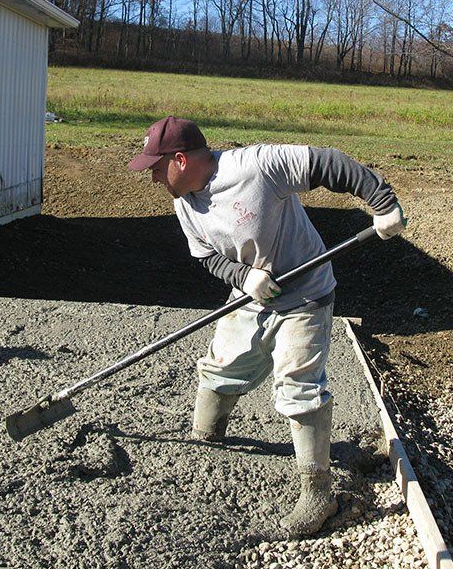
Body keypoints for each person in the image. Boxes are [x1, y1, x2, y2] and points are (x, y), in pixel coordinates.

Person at [129, 115, 405, 536]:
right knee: (220, 367)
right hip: (252, 294)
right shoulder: (184, 204)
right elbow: (205, 256)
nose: (151, 177)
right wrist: (244, 278)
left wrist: (382, 203)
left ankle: (318, 494)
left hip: (304, 296)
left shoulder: (255, 167)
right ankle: (206, 439)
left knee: (298, 385)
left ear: (180, 160)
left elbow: (330, 164)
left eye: (154, 167)